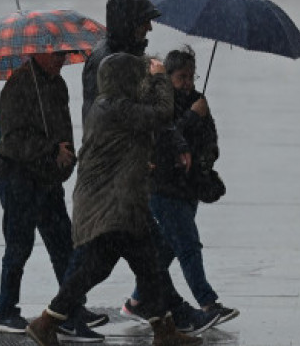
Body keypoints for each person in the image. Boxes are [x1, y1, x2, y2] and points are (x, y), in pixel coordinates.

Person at [26, 53, 208, 346]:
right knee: (99, 267)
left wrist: (138, 161)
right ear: (124, 79)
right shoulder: (113, 107)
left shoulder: (113, 104)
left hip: (120, 201)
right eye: (137, 77)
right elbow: (161, 114)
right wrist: (161, 77)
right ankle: (47, 320)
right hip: (110, 205)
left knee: (146, 263)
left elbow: (135, 131)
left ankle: (163, 329)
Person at [121, 45, 239, 327]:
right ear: (169, 77)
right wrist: (191, 118)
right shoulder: (161, 102)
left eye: (190, 76)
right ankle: (208, 302)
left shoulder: (199, 101)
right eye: (181, 77)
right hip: (164, 188)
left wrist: (205, 157)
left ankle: (136, 301)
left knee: (167, 249)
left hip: (190, 188)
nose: (187, 83)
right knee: (188, 245)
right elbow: (162, 136)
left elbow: (211, 140)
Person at [0, 51, 104, 342]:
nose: (62, 59)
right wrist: (51, 150)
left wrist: (65, 157)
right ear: (37, 53)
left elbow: (61, 127)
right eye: (56, 54)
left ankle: (70, 309)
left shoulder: (57, 84)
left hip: (47, 177)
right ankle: (5, 311)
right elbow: (13, 139)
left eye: (64, 54)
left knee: (63, 244)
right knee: (19, 244)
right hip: (18, 177)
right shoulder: (18, 85)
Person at [82, 0, 161, 123]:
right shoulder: (109, 61)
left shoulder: (128, 53)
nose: (150, 28)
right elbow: (125, 114)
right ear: (130, 23)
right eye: (145, 21)